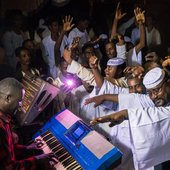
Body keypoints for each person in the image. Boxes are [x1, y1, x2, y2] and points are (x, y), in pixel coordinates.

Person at [90, 67, 170, 170]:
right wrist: (104, 97)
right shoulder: (153, 99)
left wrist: (126, 114)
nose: (153, 96)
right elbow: (134, 98)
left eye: (157, 90)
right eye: (150, 92)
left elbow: (162, 114)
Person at [0, 78, 57, 169]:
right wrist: (37, 159)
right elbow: (10, 168)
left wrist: (27, 148)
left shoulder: (4, 118)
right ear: (8, 98)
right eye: (19, 101)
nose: (20, 105)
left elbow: (8, 150)